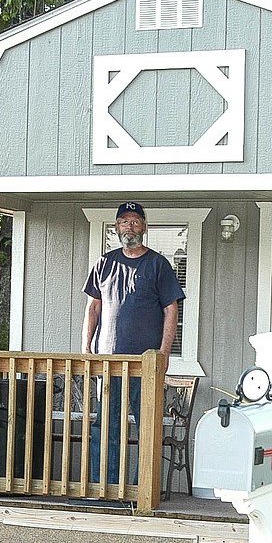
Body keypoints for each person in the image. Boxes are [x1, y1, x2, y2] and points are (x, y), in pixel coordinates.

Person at [81, 202, 185, 484]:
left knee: (146, 427)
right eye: (124, 222)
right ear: (116, 228)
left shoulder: (158, 265)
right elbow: (93, 308)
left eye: (135, 221)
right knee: (105, 427)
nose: (130, 227)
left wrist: (163, 354)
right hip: (109, 362)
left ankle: (142, 491)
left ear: (144, 227)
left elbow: (171, 310)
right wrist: (86, 348)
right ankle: (105, 487)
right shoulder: (104, 263)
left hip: (145, 364)